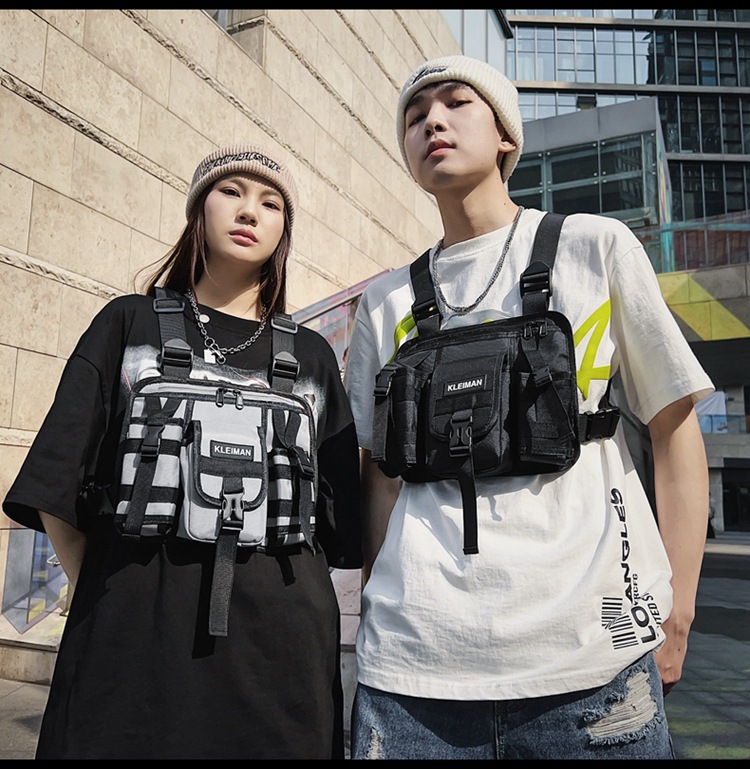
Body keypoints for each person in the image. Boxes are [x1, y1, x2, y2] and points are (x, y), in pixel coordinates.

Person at [343, 55, 714, 760]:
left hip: (592, 661)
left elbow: (674, 426)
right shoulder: (385, 300)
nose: (432, 122)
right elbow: (380, 478)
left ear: (507, 137)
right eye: (415, 117)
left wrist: (680, 606)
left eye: (456, 103)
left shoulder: (594, 248)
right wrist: (369, 608)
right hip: (412, 672)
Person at [3, 143, 362, 759]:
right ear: (198, 209)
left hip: (280, 653)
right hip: (132, 637)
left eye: (271, 203)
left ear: (284, 229)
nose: (249, 211)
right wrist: (102, 590)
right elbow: (55, 474)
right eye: (231, 192)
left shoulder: (311, 356)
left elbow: (337, 523)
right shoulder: (127, 324)